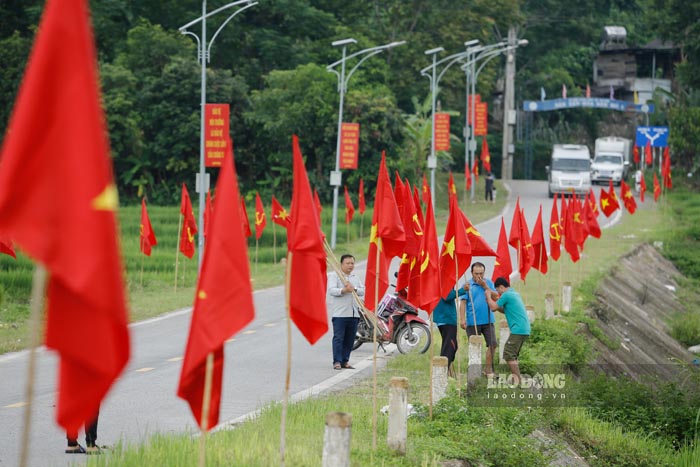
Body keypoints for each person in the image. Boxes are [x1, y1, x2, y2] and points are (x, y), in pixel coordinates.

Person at [485, 277, 530, 385]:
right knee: (512, 355)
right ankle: (516, 379)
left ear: (501, 287)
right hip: (523, 329)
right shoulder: (514, 293)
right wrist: (493, 300)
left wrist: (488, 297)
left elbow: (493, 308)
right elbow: (505, 310)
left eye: (498, 290)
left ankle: (517, 380)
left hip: (517, 329)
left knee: (508, 354)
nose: (498, 293)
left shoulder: (506, 295)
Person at [459, 262, 497, 376]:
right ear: (472, 273)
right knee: (475, 346)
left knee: (493, 344)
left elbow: (496, 297)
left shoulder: (488, 282)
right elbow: (463, 303)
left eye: (481, 273)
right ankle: (475, 371)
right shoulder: (467, 285)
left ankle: (488, 369)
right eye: (476, 274)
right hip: (473, 321)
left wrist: (486, 287)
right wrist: (462, 320)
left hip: (488, 320)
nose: (479, 276)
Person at [327, 254, 365, 370]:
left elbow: (362, 291)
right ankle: (337, 361)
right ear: (341, 264)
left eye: (352, 263)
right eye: (347, 263)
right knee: (339, 338)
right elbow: (332, 290)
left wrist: (354, 289)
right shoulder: (335, 276)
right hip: (340, 314)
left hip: (354, 313)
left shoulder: (354, 277)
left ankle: (345, 361)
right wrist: (344, 290)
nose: (350, 265)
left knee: (350, 339)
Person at [432, 286, 467, 376]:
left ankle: (446, 371)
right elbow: (447, 296)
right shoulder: (443, 278)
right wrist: (463, 290)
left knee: (451, 345)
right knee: (450, 347)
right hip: (446, 318)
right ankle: (441, 372)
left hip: (444, 317)